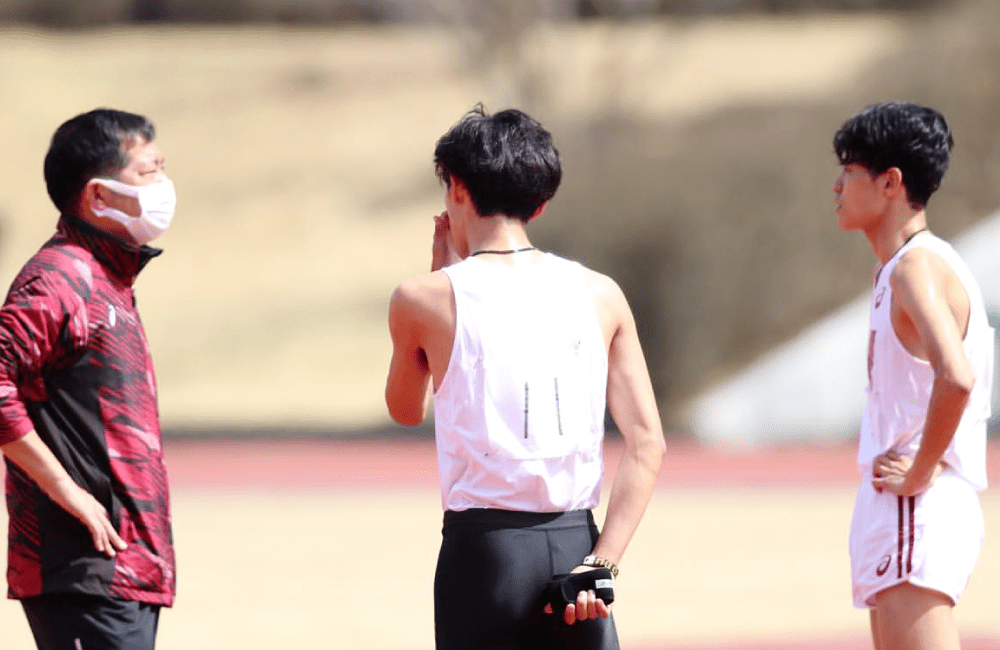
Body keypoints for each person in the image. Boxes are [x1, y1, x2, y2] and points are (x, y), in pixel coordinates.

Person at [385, 105, 666, 650]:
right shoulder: (601, 293)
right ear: (540, 203)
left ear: (457, 188)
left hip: (483, 557)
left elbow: (405, 409)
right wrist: (603, 562)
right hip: (577, 543)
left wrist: (441, 276)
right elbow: (647, 442)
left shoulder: (422, 298)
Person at [0, 108, 177, 650]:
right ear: (98, 196)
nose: (164, 187)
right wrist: (66, 491)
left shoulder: (108, 277)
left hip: (126, 564)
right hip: (81, 564)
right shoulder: (59, 279)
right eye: (148, 173)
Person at [833, 101, 994, 650]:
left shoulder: (915, 267)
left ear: (890, 182)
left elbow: (958, 376)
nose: (837, 185)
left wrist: (921, 471)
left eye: (850, 170)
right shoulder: (900, 267)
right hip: (904, 506)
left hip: (916, 504)